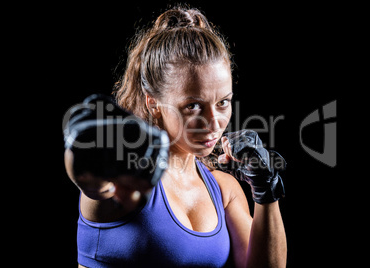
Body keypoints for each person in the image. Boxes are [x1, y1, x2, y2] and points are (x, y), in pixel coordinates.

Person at [64, 6, 287, 268]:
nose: (214, 122)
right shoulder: (132, 178)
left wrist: (266, 189)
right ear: (154, 103)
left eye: (223, 102)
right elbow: (92, 179)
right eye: (193, 106)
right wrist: (82, 145)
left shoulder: (223, 189)